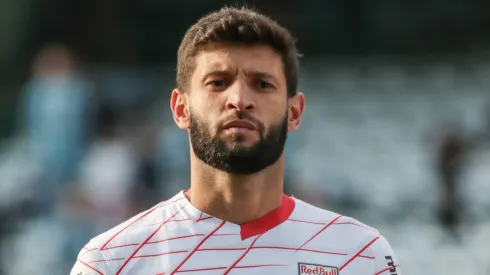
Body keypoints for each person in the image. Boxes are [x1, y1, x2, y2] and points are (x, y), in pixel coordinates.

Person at [70, 7, 402, 275]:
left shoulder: (359, 256)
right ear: (180, 108)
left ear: (294, 112)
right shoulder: (110, 262)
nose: (239, 99)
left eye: (262, 84)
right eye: (218, 82)